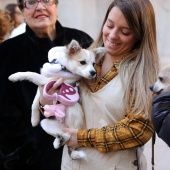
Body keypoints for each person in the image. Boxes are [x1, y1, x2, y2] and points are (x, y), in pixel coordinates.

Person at [40, 0, 160, 169]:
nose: (112, 35)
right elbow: (54, 113)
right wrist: (47, 97)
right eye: (109, 25)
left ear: (140, 35)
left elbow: (138, 130)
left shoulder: (142, 74)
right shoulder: (85, 58)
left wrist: (82, 137)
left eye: (125, 31)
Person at [0, 0, 92, 170]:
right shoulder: (6, 52)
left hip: (82, 155)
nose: (40, 7)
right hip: (32, 161)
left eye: (46, 0)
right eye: (31, 2)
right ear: (22, 10)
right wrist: (29, 152)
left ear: (56, 4)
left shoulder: (82, 41)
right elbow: (5, 115)